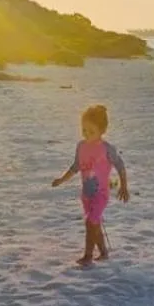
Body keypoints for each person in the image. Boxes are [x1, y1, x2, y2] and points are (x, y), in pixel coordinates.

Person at [52, 104, 129, 267]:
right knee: (95, 224)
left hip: (101, 194)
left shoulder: (107, 149)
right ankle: (103, 252)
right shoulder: (81, 146)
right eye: (84, 130)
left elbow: (120, 166)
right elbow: (75, 167)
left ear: (102, 131)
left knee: (90, 222)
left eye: (91, 131)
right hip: (86, 194)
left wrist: (124, 186)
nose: (86, 134)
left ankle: (87, 256)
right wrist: (61, 180)